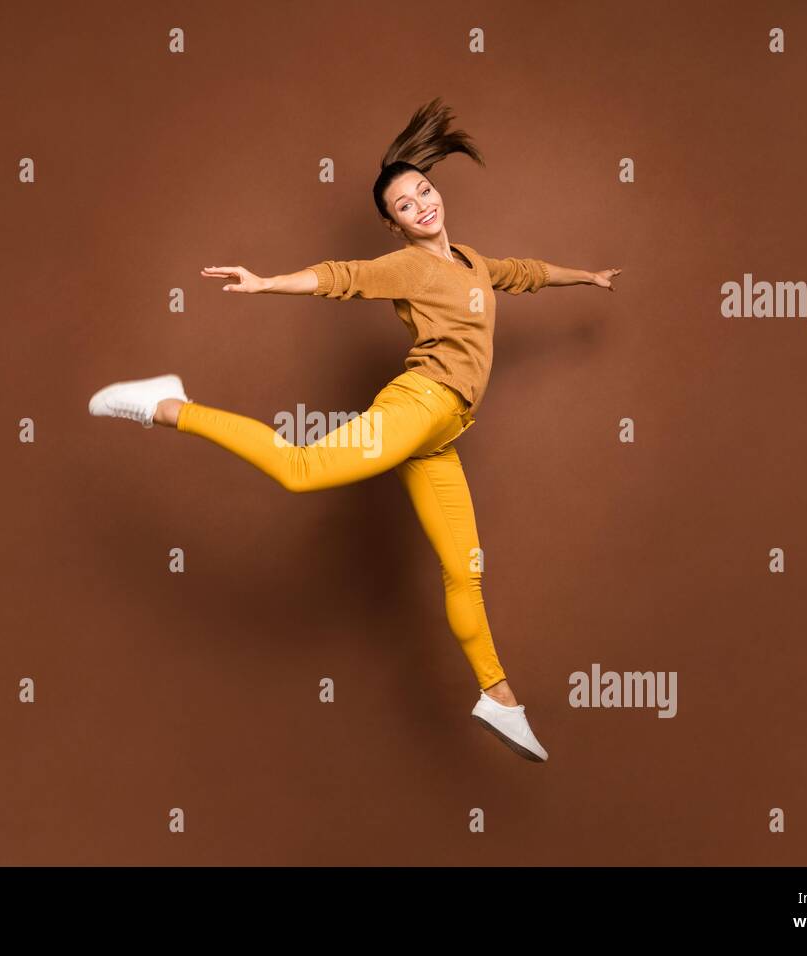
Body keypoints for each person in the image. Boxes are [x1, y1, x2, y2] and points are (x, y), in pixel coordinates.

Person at [89, 97, 621, 762]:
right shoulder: (408, 266)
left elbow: (529, 275)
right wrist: (264, 285)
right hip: (419, 405)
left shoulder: (474, 262)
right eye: (404, 205)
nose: (421, 204)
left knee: (465, 570)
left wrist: (588, 277)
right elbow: (341, 278)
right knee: (299, 469)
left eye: (423, 190)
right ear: (394, 225)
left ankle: (497, 696)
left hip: (441, 434)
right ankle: (173, 404)